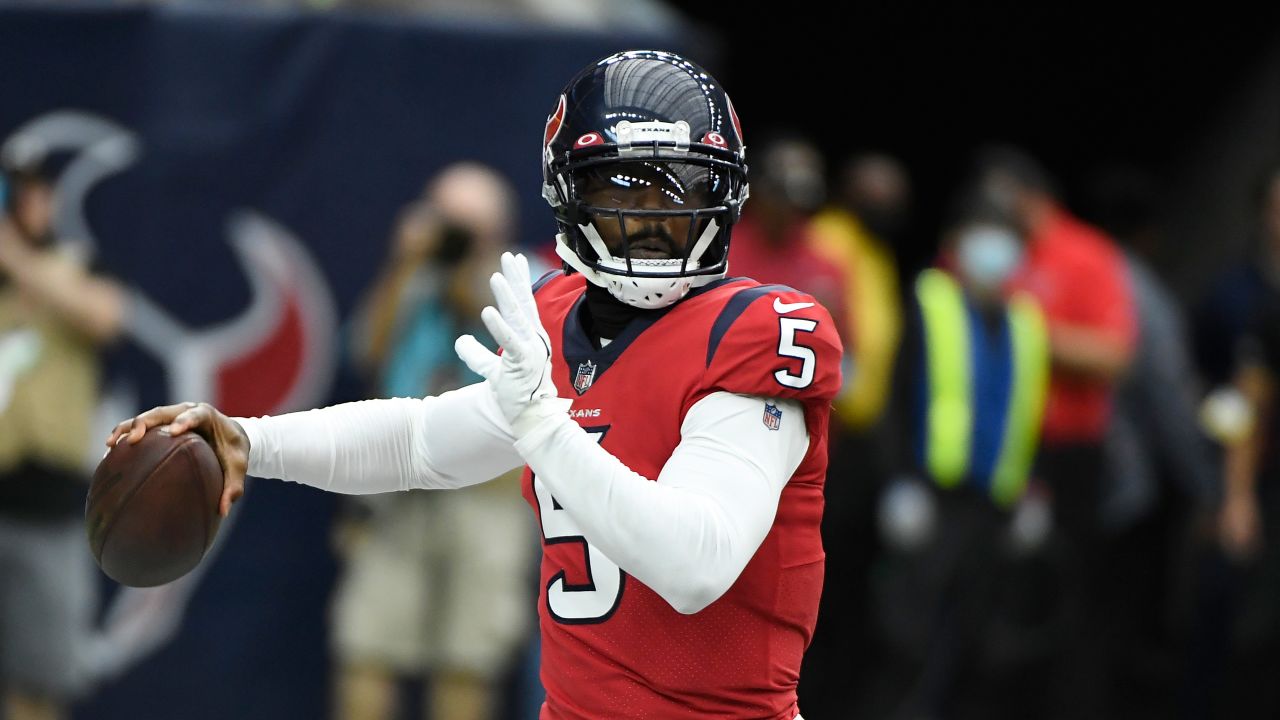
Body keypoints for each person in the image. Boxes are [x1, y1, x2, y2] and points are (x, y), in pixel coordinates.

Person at [107, 50, 842, 720]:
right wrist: (249, 437)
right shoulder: (556, 321)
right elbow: (420, 440)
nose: (651, 220)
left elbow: (696, 563)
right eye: (624, 190)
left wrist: (544, 428)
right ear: (569, 194)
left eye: (677, 190)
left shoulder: (757, 332)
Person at [333, 163, 534, 720]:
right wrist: (403, 266)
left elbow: (522, 356)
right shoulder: (413, 279)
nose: (452, 236)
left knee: (468, 658)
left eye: (464, 227)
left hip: (485, 492)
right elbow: (364, 353)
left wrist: (469, 268)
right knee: (368, 645)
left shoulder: (525, 278)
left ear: (498, 229)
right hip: (400, 480)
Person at [869, 197, 1052, 720]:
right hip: (931, 498)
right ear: (957, 243)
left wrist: (1031, 491)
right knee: (908, 639)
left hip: (994, 507)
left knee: (975, 644)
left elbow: (1026, 411)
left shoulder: (1026, 323)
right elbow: (897, 397)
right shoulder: (931, 300)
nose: (994, 252)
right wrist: (899, 482)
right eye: (983, 235)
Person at [0, 152, 126, 720]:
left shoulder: (72, 266)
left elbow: (106, 317)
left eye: (23, 191)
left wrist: (17, 260)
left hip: (46, 507)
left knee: (41, 680)